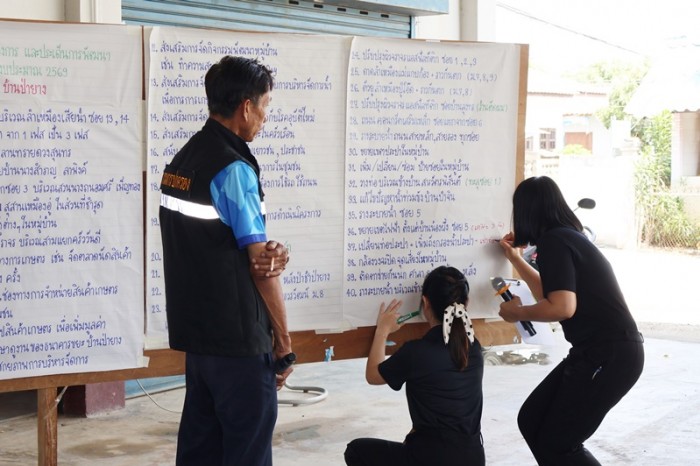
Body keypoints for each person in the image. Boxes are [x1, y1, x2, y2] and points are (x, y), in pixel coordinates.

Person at [158, 55, 293, 466]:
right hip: (239, 345)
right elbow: (261, 267)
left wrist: (273, 250)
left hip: (199, 342)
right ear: (246, 107)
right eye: (265, 106)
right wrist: (284, 344)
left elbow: (212, 243)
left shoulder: (183, 161)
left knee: (200, 453)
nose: (265, 118)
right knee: (247, 454)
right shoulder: (234, 170)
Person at [497, 176, 644, 465]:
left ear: (525, 211)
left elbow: (563, 307)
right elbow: (551, 293)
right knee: (531, 419)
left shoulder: (555, 241)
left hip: (610, 355)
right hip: (596, 352)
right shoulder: (565, 237)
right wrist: (515, 259)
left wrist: (518, 313)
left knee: (560, 443)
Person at [345, 266, 485, 466]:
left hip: (430, 458)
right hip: (473, 458)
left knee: (356, 451)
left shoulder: (417, 351)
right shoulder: (473, 347)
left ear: (425, 303)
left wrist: (383, 330)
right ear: (466, 304)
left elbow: (373, 375)